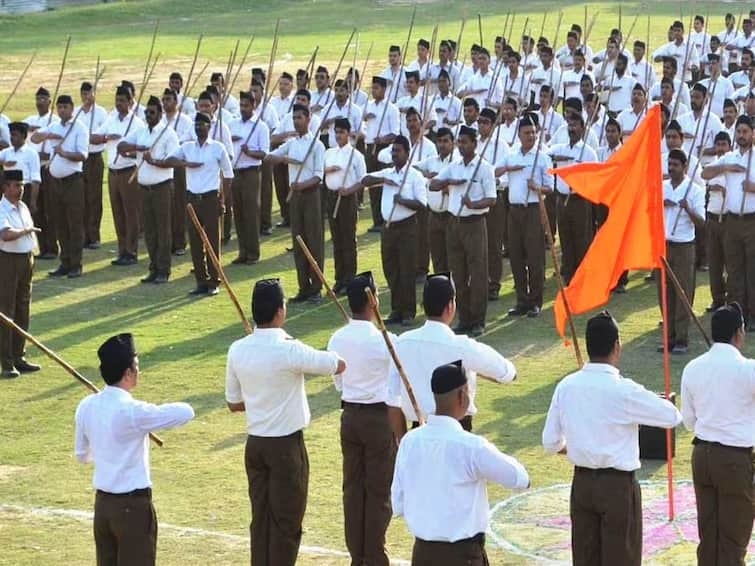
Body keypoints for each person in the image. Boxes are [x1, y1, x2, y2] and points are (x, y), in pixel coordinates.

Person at [542, 311, 682, 566]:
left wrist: (576, 446)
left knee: (585, 559)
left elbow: (550, 442)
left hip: (582, 484)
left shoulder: (566, 386)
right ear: (617, 346)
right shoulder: (624, 390)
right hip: (617, 488)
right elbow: (672, 416)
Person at [225, 279, 345, 566]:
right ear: (280, 311)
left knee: (261, 519)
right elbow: (336, 364)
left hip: (255, 445)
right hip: (285, 447)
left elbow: (233, 403)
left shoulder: (238, 349)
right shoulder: (289, 349)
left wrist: (258, 400)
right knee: (286, 523)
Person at [391, 360, 529, 566]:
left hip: (422, 554)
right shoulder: (471, 446)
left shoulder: (410, 442)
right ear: (462, 396)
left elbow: (398, 504)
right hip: (462, 556)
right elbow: (519, 478)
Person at [75, 333, 195, 566]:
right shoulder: (132, 411)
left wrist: (105, 450)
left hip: (103, 508)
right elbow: (186, 411)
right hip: (132, 509)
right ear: (128, 373)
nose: (139, 372)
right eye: (137, 367)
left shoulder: (86, 405)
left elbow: (82, 455)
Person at [388, 273, 517, 437]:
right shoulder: (462, 346)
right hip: (457, 432)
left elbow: (392, 400)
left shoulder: (402, 343)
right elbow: (507, 373)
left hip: (419, 433)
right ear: (450, 306)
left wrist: (403, 442)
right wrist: (478, 371)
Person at [326, 272, 396, 566]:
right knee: (378, 491)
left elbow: (338, 383)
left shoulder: (337, 337)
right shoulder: (384, 339)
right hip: (378, 420)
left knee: (353, 490)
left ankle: (359, 557)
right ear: (372, 300)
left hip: (350, 417)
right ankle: (375, 556)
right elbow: (395, 384)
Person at [681, 302, 755, 566]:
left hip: (701, 457)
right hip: (734, 460)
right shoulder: (748, 369)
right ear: (739, 332)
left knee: (709, 539)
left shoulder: (693, 368)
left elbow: (688, 421)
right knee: (733, 542)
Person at [430, 126, 496, 336]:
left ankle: (478, 320)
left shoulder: (484, 168)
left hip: (475, 223)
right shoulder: (454, 166)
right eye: (459, 142)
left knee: (477, 273)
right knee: (458, 272)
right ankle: (464, 318)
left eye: (465, 142)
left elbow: (492, 198)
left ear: (475, 144)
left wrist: (473, 203)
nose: (461, 146)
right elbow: (433, 185)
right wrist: (449, 181)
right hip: (454, 223)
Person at [161, 112, 233, 296]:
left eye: (202, 124)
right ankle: (201, 281)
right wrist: (186, 164)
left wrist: (222, 198)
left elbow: (228, 175)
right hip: (192, 198)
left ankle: (214, 281)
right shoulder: (187, 147)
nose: (199, 127)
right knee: (194, 241)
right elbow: (168, 160)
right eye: (197, 125)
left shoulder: (218, 148)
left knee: (211, 241)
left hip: (210, 198)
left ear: (209, 127)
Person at [361, 136, 427, 325]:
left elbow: (422, 205)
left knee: (407, 269)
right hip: (388, 227)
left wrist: (403, 200)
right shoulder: (388, 173)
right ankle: (396, 309)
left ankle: (408, 311)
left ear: (407, 152)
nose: (394, 154)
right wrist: (383, 179)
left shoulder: (415, 176)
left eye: (398, 151)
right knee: (390, 268)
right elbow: (365, 180)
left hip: (407, 227)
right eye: (393, 151)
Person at [265, 104, 326, 304]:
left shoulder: (317, 145)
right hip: (296, 196)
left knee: (314, 242)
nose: (296, 121)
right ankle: (304, 287)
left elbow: (318, 176)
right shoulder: (291, 143)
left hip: (310, 194)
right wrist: (283, 158)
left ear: (309, 119)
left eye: (300, 117)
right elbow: (270, 157)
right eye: (294, 118)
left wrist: (301, 185)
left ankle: (316, 288)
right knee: (298, 241)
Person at [495, 114, 553, 318]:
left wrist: (537, 187)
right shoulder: (512, 156)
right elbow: (494, 172)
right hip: (515, 210)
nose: (531, 136)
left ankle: (535, 301)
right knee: (516, 256)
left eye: (533, 132)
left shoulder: (542, 157)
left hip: (533, 209)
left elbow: (550, 187)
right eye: (527, 133)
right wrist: (509, 168)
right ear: (519, 134)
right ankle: (521, 300)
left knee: (534, 256)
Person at [118, 95, 180, 284]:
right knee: (150, 231)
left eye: (152, 112)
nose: (148, 115)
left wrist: (153, 161)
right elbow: (121, 146)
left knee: (163, 230)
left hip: (162, 187)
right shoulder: (141, 132)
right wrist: (138, 147)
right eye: (146, 112)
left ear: (160, 114)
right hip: (144, 188)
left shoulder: (168, 133)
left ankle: (164, 270)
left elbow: (173, 161)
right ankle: (153, 267)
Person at [702, 115, 755, 329]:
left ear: (753, 133)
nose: (741, 135)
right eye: (739, 132)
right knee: (734, 269)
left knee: (752, 269)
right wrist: (726, 168)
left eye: (745, 132)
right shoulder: (729, 157)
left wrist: (753, 188)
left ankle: (753, 315)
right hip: (732, 221)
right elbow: (705, 173)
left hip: (752, 221)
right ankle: (737, 313)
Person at [30, 94, 89, 278]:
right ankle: (65, 261)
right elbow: (34, 139)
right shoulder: (54, 126)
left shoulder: (79, 127)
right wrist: (48, 134)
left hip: (73, 181)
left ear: (72, 108)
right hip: (55, 181)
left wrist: (64, 152)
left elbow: (82, 156)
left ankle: (76, 264)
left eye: (66, 107)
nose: (62, 110)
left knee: (74, 223)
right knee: (60, 223)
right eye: (60, 107)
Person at [90, 85, 145, 267]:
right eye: (117, 100)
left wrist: (128, 151)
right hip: (112, 171)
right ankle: (122, 250)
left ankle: (131, 251)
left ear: (131, 102)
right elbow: (93, 137)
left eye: (123, 101)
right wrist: (108, 137)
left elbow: (141, 148)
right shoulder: (111, 119)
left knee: (131, 214)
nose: (119, 104)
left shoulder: (137, 123)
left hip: (128, 170)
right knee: (117, 213)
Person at [659, 149, 706, 354]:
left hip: (684, 245)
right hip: (664, 245)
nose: (671, 168)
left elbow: (702, 223)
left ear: (685, 167)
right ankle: (668, 337)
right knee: (665, 293)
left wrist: (687, 208)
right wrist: (661, 203)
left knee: (683, 292)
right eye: (669, 165)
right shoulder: (662, 187)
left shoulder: (694, 190)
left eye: (675, 165)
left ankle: (681, 339)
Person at [0, 170, 41, 379]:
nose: (20, 189)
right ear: (5, 187)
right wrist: (27, 231)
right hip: (8, 261)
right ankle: (6, 362)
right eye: (15, 185)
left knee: (23, 308)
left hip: (26, 259)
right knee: (7, 311)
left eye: (21, 185)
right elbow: (6, 234)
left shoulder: (22, 206)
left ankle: (19, 356)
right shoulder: (2, 208)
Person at [549, 114, 598, 285]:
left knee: (581, 239)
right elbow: (546, 154)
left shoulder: (588, 152)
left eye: (575, 125)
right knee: (565, 237)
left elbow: (594, 177)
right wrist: (558, 158)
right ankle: (569, 276)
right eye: (569, 125)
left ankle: (583, 278)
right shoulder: (560, 149)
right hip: (562, 199)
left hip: (579, 199)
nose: (572, 129)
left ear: (582, 128)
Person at [324, 118, 366, 294]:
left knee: (348, 239)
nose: (339, 135)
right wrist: (328, 170)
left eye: (342, 132)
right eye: (337, 132)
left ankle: (350, 279)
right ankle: (339, 278)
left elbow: (363, 180)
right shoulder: (329, 152)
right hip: (332, 197)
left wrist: (349, 190)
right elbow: (320, 171)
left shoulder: (355, 155)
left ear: (348, 134)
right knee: (337, 239)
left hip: (347, 199)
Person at [229, 90, 270, 265]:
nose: (243, 108)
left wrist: (250, 152)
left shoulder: (260, 126)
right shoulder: (233, 124)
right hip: (236, 172)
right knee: (237, 213)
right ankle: (242, 251)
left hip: (251, 172)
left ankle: (253, 253)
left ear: (254, 106)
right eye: (241, 105)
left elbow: (264, 153)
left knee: (250, 213)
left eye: (246, 105)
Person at [24, 86, 59, 260]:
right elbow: (17, 129)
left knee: (49, 210)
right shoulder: (31, 119)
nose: (40, 103)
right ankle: (43, 247)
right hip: (33, 171)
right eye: (38, 99)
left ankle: (52, 248)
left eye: (43, 99)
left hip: (48, 168)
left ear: (49, 101)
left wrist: (47, 153)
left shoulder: (55, 120)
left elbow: (58, 142)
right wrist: (30, 127)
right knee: (36, 210)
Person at [362, 76, 400, 232]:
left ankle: (386, 218)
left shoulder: (391, 108)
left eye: (377, 88)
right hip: (370, 147)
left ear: (384, 89)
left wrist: (382, 139)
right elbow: (361, 122)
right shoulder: (368, 106)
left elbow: (395, 133)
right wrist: (365, 117)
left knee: (385, 184)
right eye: (373, 88)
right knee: (373, 184)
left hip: (384, 149)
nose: (374, 90)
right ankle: (376, 220)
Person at [76, 81, 107, 250]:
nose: (86, 97)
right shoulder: (77, 112)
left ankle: (94, 236)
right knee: (81, 198)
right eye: (83, 94)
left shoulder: (101, 113)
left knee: (94, 197)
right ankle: (83, 236)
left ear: (94, 93)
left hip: (94, 157)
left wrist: (91, 137)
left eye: (89, 93)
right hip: (80, 159)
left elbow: (104, 136)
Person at [0, 122, 41, 213]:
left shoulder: (31, 153)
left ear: (23, 136)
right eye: (11, 135)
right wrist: (4, 162)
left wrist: (33, 202)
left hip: (24, 191)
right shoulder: (6, 152)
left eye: (15, 135)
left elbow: (35, 180)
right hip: (7, 191)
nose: (11, 138)